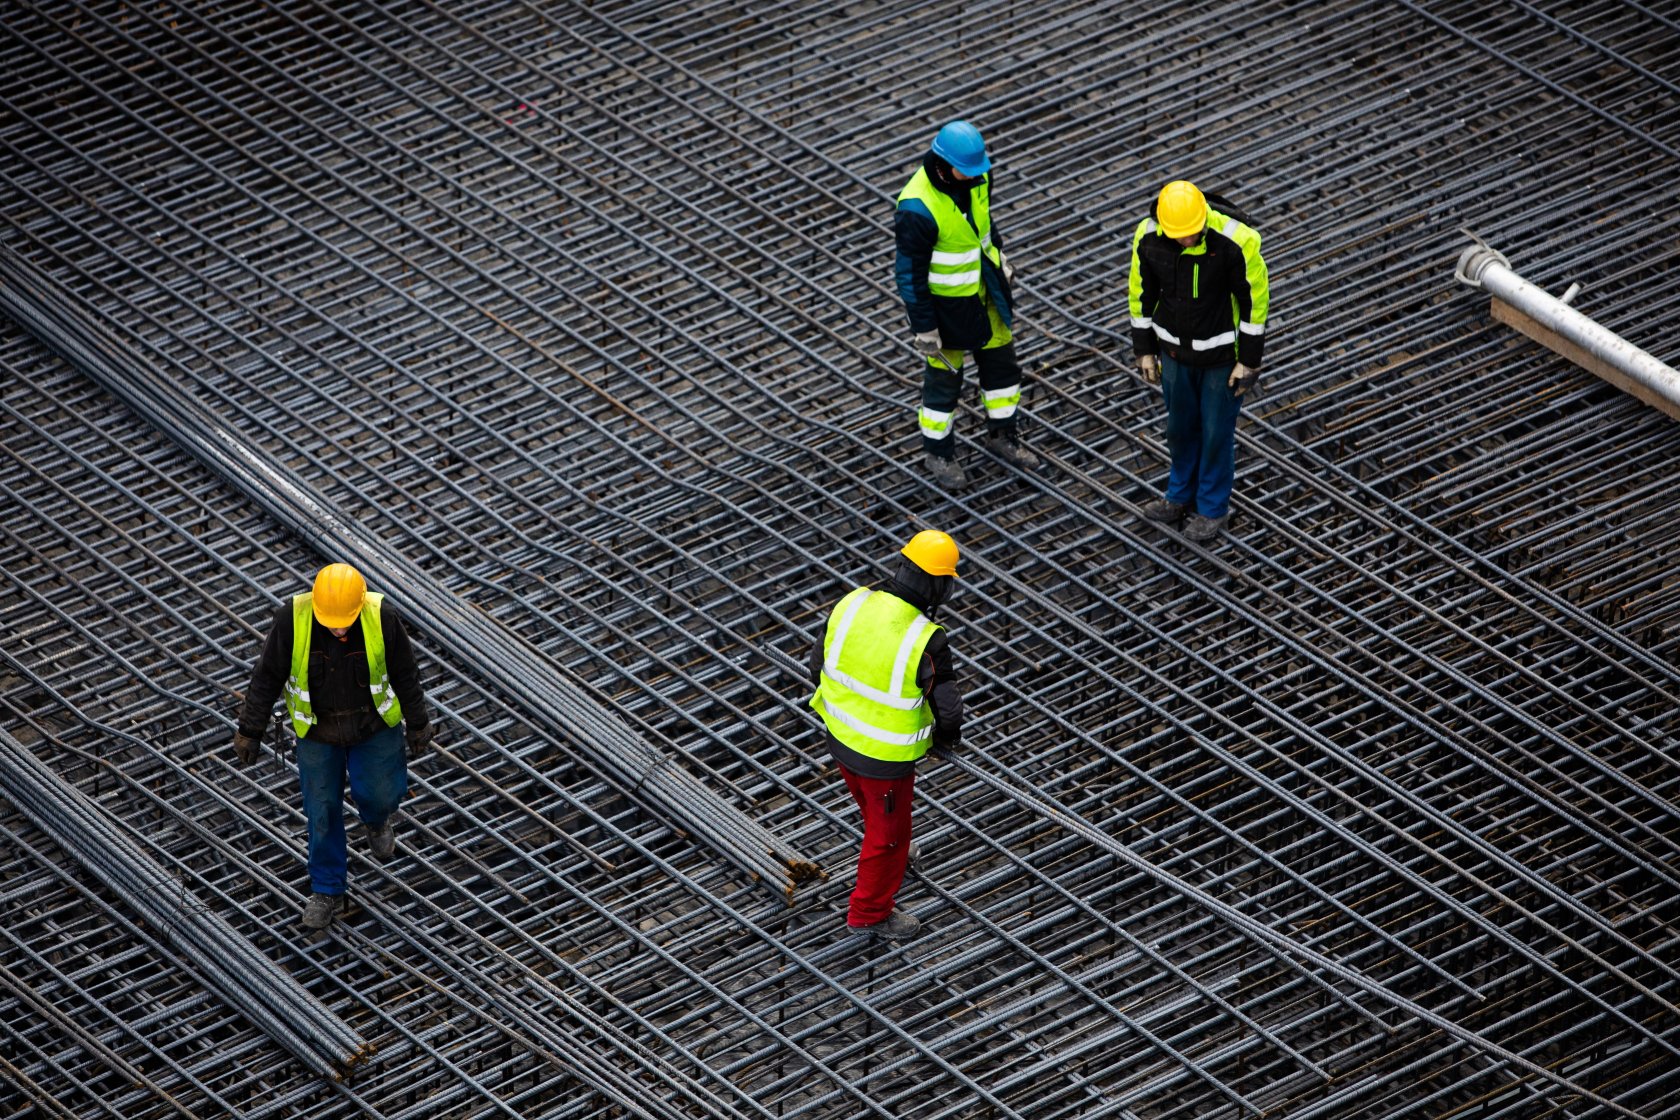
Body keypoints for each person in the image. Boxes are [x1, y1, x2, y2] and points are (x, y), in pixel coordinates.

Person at [232, 563, 434, 930]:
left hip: (372, 727)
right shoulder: (292, 621)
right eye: (332, 622)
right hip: (318, 731)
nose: (338, 628)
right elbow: (267, 676)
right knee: (321, 812)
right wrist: (250, 728)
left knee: (378, 793)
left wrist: (418, 722)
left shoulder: (382, 618)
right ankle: (326, 889)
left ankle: (376, 819)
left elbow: (406, 672)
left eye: (345, 621)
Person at [809, 530, 964, 940]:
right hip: (883, 760)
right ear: (940, 584)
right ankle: (869, 914)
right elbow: (947, 706)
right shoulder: (926, 637)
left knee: (875, 815)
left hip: (838, 734)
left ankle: (891, 859)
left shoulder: (854, 601)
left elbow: (817, 661)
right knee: (888, 839)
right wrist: (944, 740)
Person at [895, 120, 1039, 489]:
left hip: (986, 294)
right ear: (945, 163)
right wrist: (923, 326)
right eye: (968, 169)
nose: (976, 176)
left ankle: (1003, 436)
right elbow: (909, 274)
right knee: (944, 383)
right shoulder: (917, 206)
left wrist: (1000, 259)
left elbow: (985, 226)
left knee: (1003, 370)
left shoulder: (978, 177)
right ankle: (938, 454)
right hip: (947, 313)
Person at [1128, 179, 1270, 541]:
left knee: (1215, 433)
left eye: (1193, 234)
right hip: (1174, 354)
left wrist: (1248, 361)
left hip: (1222, 360)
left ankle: (1211, 508)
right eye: (1180, 236)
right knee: (1179, 428)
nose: (1187, 241)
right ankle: (1179, 496)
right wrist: (1144, 348)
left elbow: (1255, 303)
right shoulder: (1149, 237)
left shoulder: (1237, 242)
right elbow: (1140, 292)